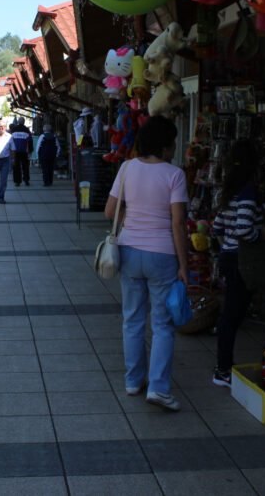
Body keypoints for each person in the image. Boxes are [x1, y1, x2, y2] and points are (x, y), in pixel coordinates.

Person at [104, 115, 188, 411]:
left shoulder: (127, 168)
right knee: (163, 325)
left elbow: (109, 211)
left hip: (129, 251)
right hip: (163, 255)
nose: (175, 147)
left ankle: (132, 381)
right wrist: (184, 265)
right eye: (174, 141)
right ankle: (159, 388)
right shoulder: (175, 175)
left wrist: (133, 221)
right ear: (165, 145)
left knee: (132, 318)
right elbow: (178, 223)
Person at [210, 139, 265, 388]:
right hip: (241, 262)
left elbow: (217, 228)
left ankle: (223, 367)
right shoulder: (248, 192)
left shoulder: (229, 191)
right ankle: (223, 369)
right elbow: (245, 229)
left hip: (229, 258)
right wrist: (263, 235)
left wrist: (227, 247)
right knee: (231, 317)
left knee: (231, 315)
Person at [9, 117, 34, 186]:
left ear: (18, 122)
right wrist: (30, 151)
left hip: (15, 151)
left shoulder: (13, 130)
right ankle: (26, 180)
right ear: (24, 122)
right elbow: (30, 141)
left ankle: (17, 181)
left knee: (16, 167)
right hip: (24, 151)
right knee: (25, 166)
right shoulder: (27, 130)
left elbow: (9, 140)